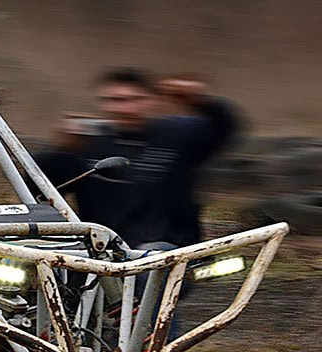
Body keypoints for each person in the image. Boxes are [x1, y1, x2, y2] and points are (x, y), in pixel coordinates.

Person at [35, 67, 240, 249]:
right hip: (100, 251)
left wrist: (202, 100)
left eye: (133, 100)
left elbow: (225, 129)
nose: (123, 109)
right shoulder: (88, 142)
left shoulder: (180, 134)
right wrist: (60, 151)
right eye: (113, 100)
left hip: (170, 251)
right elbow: (39, 191)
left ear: (154, 100)